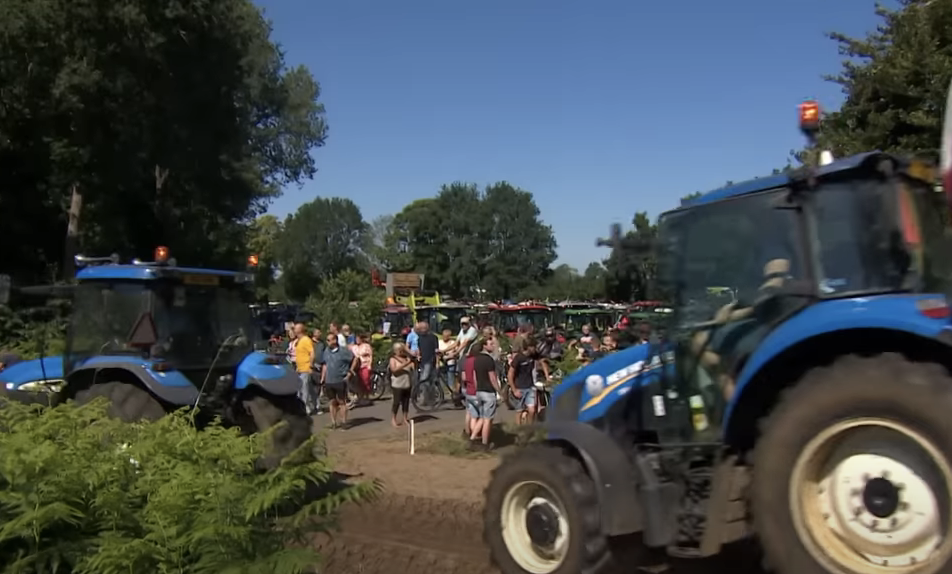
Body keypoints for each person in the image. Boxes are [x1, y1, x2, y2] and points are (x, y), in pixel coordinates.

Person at [320, 332, 356, 429]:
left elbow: (355, 359)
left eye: (329, 340)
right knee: (332, 402)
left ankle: (344, 422)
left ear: (335, 340)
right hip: (329, 381)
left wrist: (350, 373)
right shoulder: (326, 351)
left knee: (341, 401)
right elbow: (324, 365)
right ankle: (333, 422)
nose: (328, 342)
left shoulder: (344, 351)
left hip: (340, 379)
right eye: (327, 340)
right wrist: (322, 378)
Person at [471, 336, 500, 450]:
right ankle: (484, 443)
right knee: (488, 419)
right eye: (490, 344)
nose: (493, 346)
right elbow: (492, 378)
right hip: (488, 391)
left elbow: (474, 377)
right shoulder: (488, 360)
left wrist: (477, 389)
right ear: (484, 346)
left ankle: (472, 438)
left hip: (479, 391)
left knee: (482, 417)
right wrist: (499, 391)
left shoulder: (476, 359)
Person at [508, 336, 538, 425]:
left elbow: (542, 361)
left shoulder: (533, 356)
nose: (535, 349)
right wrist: (514, 390)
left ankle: (529, 429)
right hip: (520, 387)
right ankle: (519, 430)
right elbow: (510, 374)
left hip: (530, 387)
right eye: (534, 347)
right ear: (528, 347)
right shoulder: (519, 358)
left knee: (532, 410)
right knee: (519, 411)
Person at [291, 322, 316, 416]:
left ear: (300, 330)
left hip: (306, 368)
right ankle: (316, 405)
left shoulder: (306, 340)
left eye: (295, 329)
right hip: (300, 368)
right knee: (310, 388)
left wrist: (310, 365)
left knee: (304, 389)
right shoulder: (299, 341)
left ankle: (306, 408)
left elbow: (312, 353)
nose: (294, 330)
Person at [388, 342, 413, 427]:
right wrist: (405, 364)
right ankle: (393, 419)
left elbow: (412, 366)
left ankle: (405, 418)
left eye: (402, 350)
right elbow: (394, 370)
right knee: (397, 401)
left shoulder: (407, 358)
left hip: (407, 382)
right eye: (400, 350)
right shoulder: (393, 359)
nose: (402, 352)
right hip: (397, 383)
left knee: (406, 401)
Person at [461, 341, 481, 439]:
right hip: (475, 390)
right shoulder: (477, 361)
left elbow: (464, 377)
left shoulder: (467, 361)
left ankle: (471, 432)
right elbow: (475, 377)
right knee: (481, 416)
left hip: (467, 389)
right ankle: (475, 436)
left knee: (472, 415)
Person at [354, 333, 374, 405]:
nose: (357, 340)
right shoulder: (355, 347)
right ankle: (361, 397)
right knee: (359, 383)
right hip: (358, 366)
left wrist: (370, 365)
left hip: (365, 365)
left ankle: (367, 397)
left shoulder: (366, 346)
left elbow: (370, 355)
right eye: (356, 339)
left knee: (365, 381)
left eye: (358, 339)